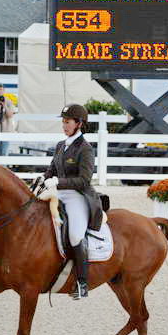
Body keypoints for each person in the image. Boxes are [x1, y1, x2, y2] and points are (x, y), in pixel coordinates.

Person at [43, 104, 103, 300]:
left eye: (67, 122)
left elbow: (84, 180)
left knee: (76, 235)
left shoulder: (85, 149)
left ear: (79, 124)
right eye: (63, 121)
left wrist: (58, 182)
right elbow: (51, 171)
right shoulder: (61, 145)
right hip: (57, 193)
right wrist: (42, 180)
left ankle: (82, 283)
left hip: (77, 196)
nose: (64, 125)